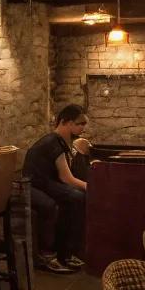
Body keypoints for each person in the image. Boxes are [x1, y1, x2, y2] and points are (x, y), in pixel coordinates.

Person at [23, 105, 89, 272]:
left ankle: (66, 253)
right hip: (34, 185)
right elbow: (66, 178)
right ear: (65, 122)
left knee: (75, 197)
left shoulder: (59, 141)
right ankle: (53, 255)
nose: (82, 128)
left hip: (45, 183)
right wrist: (93, 188)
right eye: (79, 123)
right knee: (75, 197)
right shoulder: (53, 142)